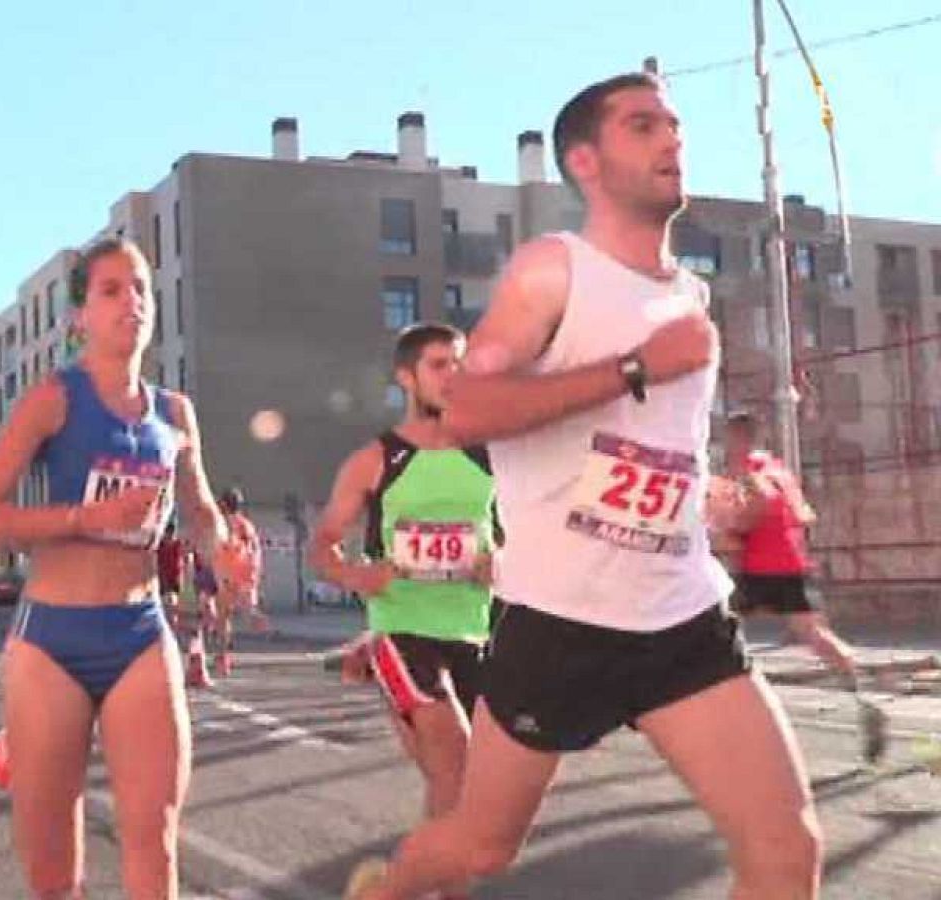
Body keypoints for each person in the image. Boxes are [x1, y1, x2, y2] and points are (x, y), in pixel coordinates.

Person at [356, 72, 821, 899]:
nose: (672, 140)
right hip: (561, 627)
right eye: (643, 127)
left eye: (674, 125)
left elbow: (644, 447)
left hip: (681, 616)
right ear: (586, 163)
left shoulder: (688, 295)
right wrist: (638, 367)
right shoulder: (553, 271)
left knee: (786, 849)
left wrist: (701, 493)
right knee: (477, 850)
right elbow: (464, 408)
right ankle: (386, 889)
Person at [0, 237, 250, 899]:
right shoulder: (53, 399)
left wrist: (223, 548)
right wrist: (85, 521)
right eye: (112, 290)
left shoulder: (175, 414)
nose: (133, 301)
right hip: (50, 645)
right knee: (56, 871)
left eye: (141, 287)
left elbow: (198, 510)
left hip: (140, 634)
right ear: (79, 318)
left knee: (156, 840)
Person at [310, 322, 495, 898]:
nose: (453, 376)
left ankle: (389, 890)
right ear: (406, 377)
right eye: (439, 365)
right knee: (456, 764)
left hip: (475, 631)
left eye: (460, 363)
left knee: (465, 796)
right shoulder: (376, 459)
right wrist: (358, 575)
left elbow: (518, 534)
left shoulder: (488, 453)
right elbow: (323, 546)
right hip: (403, 630)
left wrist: (498, 560)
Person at [711, 411, 887, 761]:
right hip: (792, 564)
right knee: (814, 635)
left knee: (710, 627)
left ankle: (729, 721)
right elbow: (807, 514)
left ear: (739, 438)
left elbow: (752, 511)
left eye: (728, 437)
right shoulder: (779, 469)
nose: (725, 444)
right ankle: (865, 696)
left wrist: (729, 528)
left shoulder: (749, 472)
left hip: (762, 569)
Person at [209, 487, 265, 676]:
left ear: (224, 504)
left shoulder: (227, 525)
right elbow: (254, 552)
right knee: (227, 615)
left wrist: (222, 571)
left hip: (231, 574)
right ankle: (223, 656)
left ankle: (222, 657)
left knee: (223, 617)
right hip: (245, 574)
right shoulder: (247, 525)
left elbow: (229, 548)